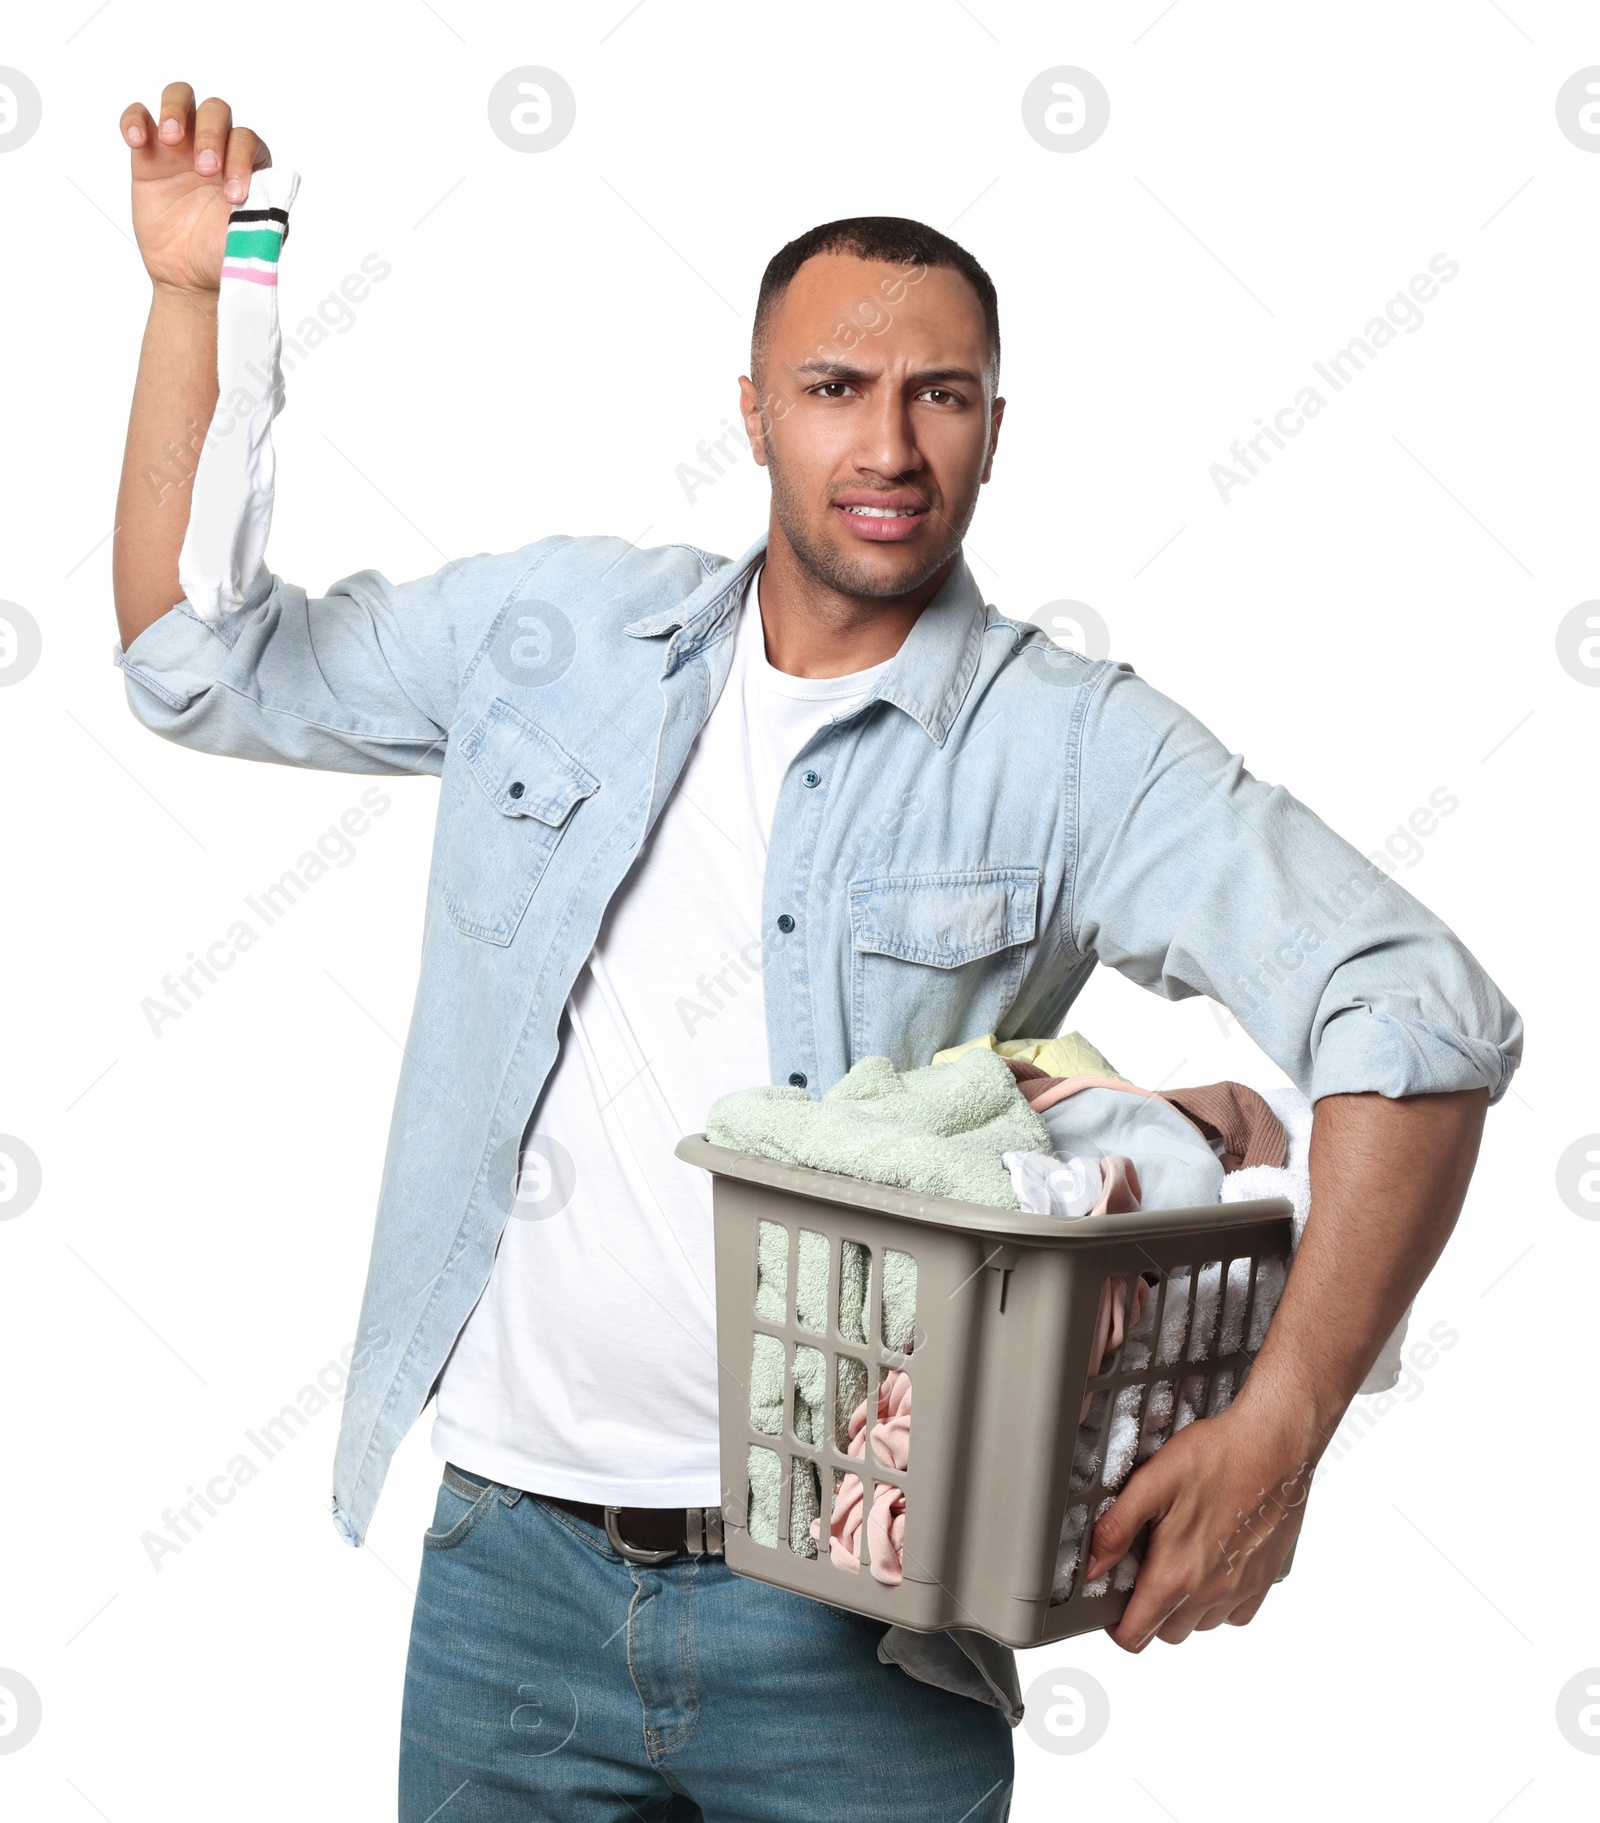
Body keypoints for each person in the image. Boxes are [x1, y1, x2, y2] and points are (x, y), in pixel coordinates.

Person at [111, 83, 1520, 1823]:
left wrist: (1285, 1432)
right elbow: (196, 662)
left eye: (941, 396)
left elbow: (1421, 1016)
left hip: (860, 1621)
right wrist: (195, 304)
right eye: (837, 391)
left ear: (997, 429)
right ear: (758, 416)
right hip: (505, 1578)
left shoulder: (1072, 749)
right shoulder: (553, 640)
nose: (889, 446)